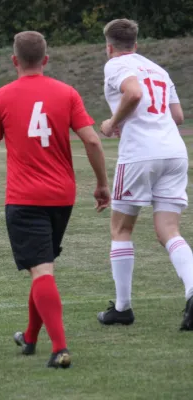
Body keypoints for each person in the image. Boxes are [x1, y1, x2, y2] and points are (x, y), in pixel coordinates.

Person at [0, 31, 110, 368]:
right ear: (46, 60)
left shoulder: (2, 98)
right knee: (41, 267)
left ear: (14, 60)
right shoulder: (66, 93)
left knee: (42, 269)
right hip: (61, 198)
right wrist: (101, 184)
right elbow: (93, 141)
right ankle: (30, 337)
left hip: (24, 199)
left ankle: (60, 348)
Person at [96, 19, 193, 331]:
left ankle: (122, 308)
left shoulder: (116, 64)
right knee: (169, 230)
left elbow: (134, 93)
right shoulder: (158, 69)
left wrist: (113, 122)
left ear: (110, 46)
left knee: (121, 229)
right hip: (174, 151)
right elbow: (177, 115)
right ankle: (192, 289)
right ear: (135, 43)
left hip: (140, 153)